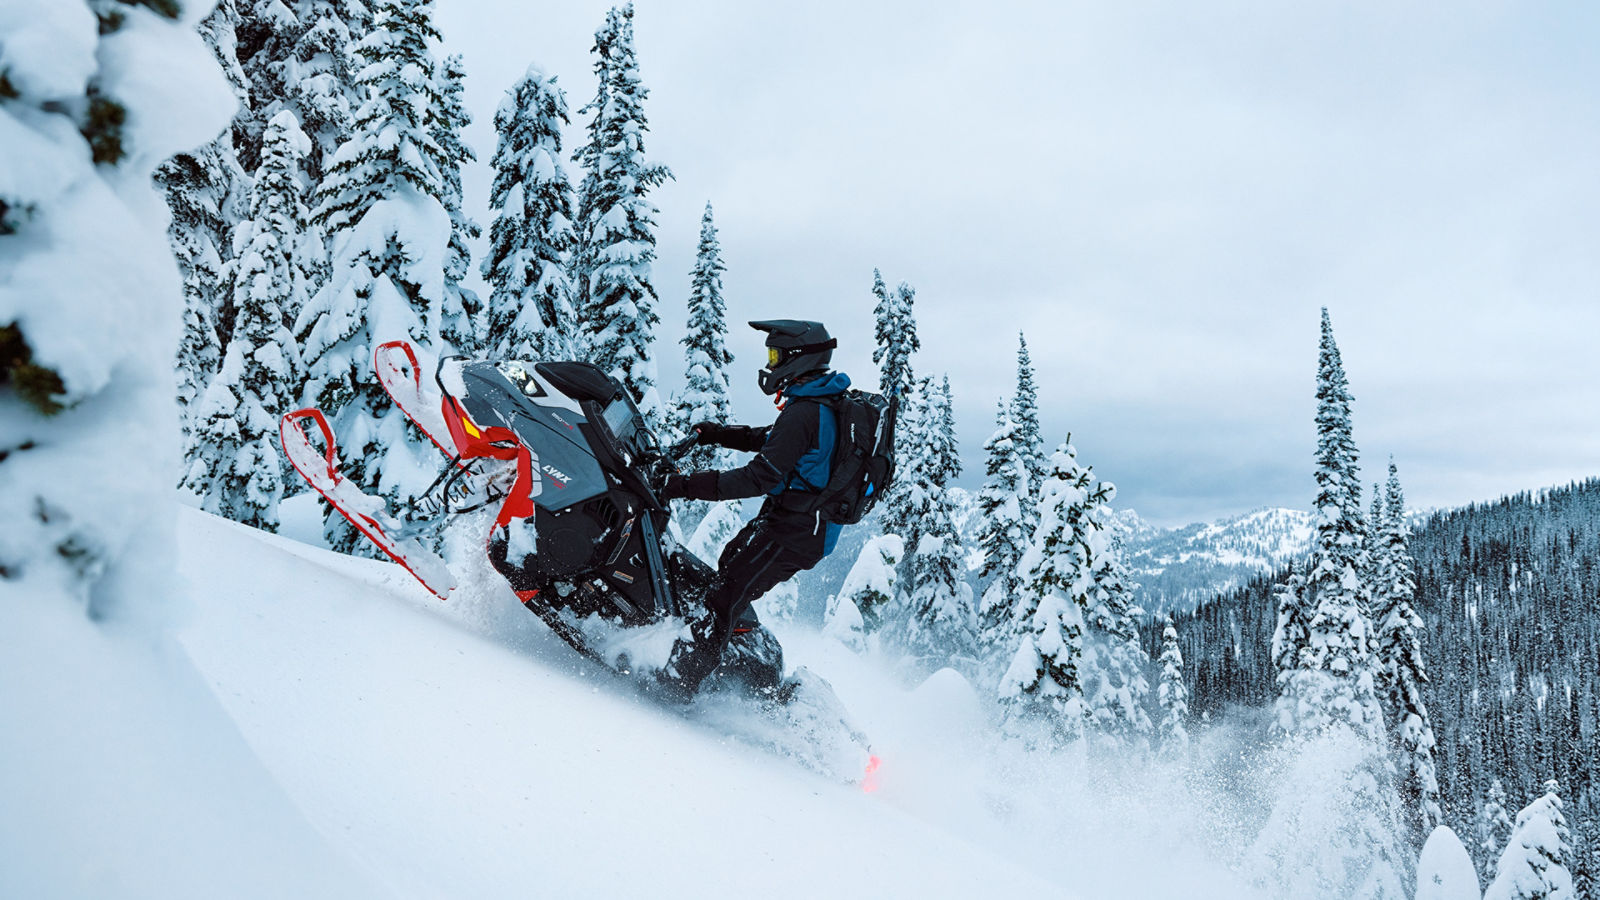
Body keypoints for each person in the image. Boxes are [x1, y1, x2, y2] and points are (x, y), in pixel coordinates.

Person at [656, 319, 851, 699]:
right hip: (794, 522)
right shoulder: (818, 402)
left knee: (725, 597)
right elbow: (769, 439)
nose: (771, 363)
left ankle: (676, 688)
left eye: (775, 355)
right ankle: (732, 658)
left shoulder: (806, 411)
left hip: (795, 531)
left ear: (796, 358)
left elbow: (757, 478)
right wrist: (716, 433)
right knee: (732, 568)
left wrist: (681, 486)